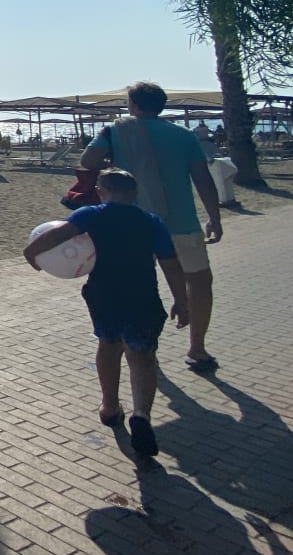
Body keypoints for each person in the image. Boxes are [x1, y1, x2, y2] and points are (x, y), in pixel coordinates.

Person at [26, 169, 189, 457]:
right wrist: (181, 300)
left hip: (104, 294)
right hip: (142, 294)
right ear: (134, 194)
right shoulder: (151, 221)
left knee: (108, 344)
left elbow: (59, 234)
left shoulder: (90, 214)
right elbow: (171, 264)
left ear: (101, 192)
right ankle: (141, 415)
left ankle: (110, 407)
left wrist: (32, 253)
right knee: (142, 357)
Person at [80, 82, 223, 373]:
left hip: (133, 222)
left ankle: (143, 350)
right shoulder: (183, 135)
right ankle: (197, 348)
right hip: (181, 221)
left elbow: (88, 161)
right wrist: (214, 217)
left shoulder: (116, 131)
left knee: (137, 285)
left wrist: (116, 157)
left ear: (132, 105)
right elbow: (202, 178)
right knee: (198, 282)